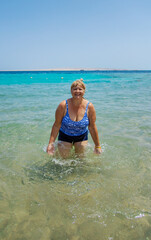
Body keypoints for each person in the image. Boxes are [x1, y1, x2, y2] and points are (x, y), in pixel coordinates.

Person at [47, 79, 102, 158]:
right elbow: (56, 125)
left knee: (80, 161)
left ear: (84, 91)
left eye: (80, 89)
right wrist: (50, 144)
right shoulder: (63, 105)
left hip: (81, 136)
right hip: (65, 135)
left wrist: (97, 146)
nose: (77, 91)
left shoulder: (89, 107)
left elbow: (92, 127)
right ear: (71, 91)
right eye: (75, 89)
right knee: (63, 161)